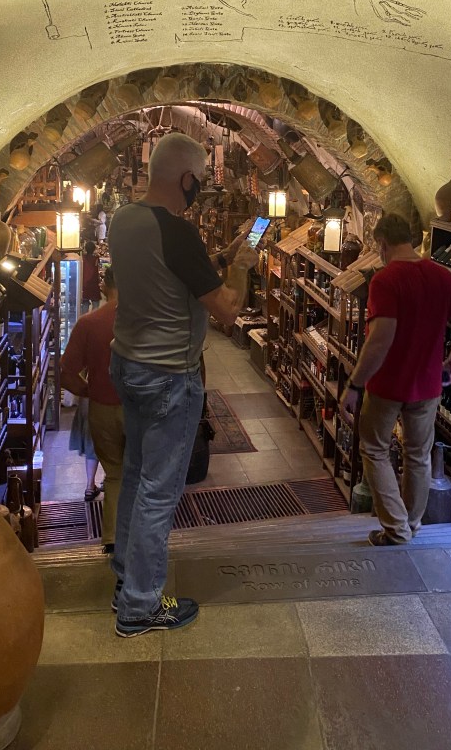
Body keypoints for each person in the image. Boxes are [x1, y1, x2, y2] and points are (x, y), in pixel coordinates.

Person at [108, 132, 257, 638]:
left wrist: (218, 260)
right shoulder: (178, 231)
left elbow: (170, 273)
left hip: (127, 364)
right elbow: (228, 311)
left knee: (135, 475)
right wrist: (241, 269)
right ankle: (141, 607)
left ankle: (127, 581)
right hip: (169, 375)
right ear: (187, 178)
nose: (202, 188)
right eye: (201, 179)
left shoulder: (124, 219)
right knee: (160, 491)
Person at [339, 213, 451, 546]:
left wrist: (355, 384)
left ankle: (396, 528)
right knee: (417, 454)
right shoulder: (442, 276)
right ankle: (411, 524)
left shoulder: (385, 279)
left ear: (382, 244)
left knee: (374, 449)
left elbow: (380, 338)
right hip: (428, 385)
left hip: (387, 384)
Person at [59, 267, 123, 553]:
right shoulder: (148, 319)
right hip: (142, 410)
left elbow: (66, 375)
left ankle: (111, 538)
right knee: (142, 475)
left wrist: (90, 390)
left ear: (104, 286)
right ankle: (142, 537)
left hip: (103, 409)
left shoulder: (89, 323)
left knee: (115, 474)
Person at [81, 240, 101, 314]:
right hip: (94, 284)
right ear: (94, 249)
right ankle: (94, 318)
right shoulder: (96, 259)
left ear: (85, 249)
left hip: (84, 284)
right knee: (96, 304)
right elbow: (97, 270)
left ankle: (84, 318)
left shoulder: (82, 258)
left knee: (84, 304)